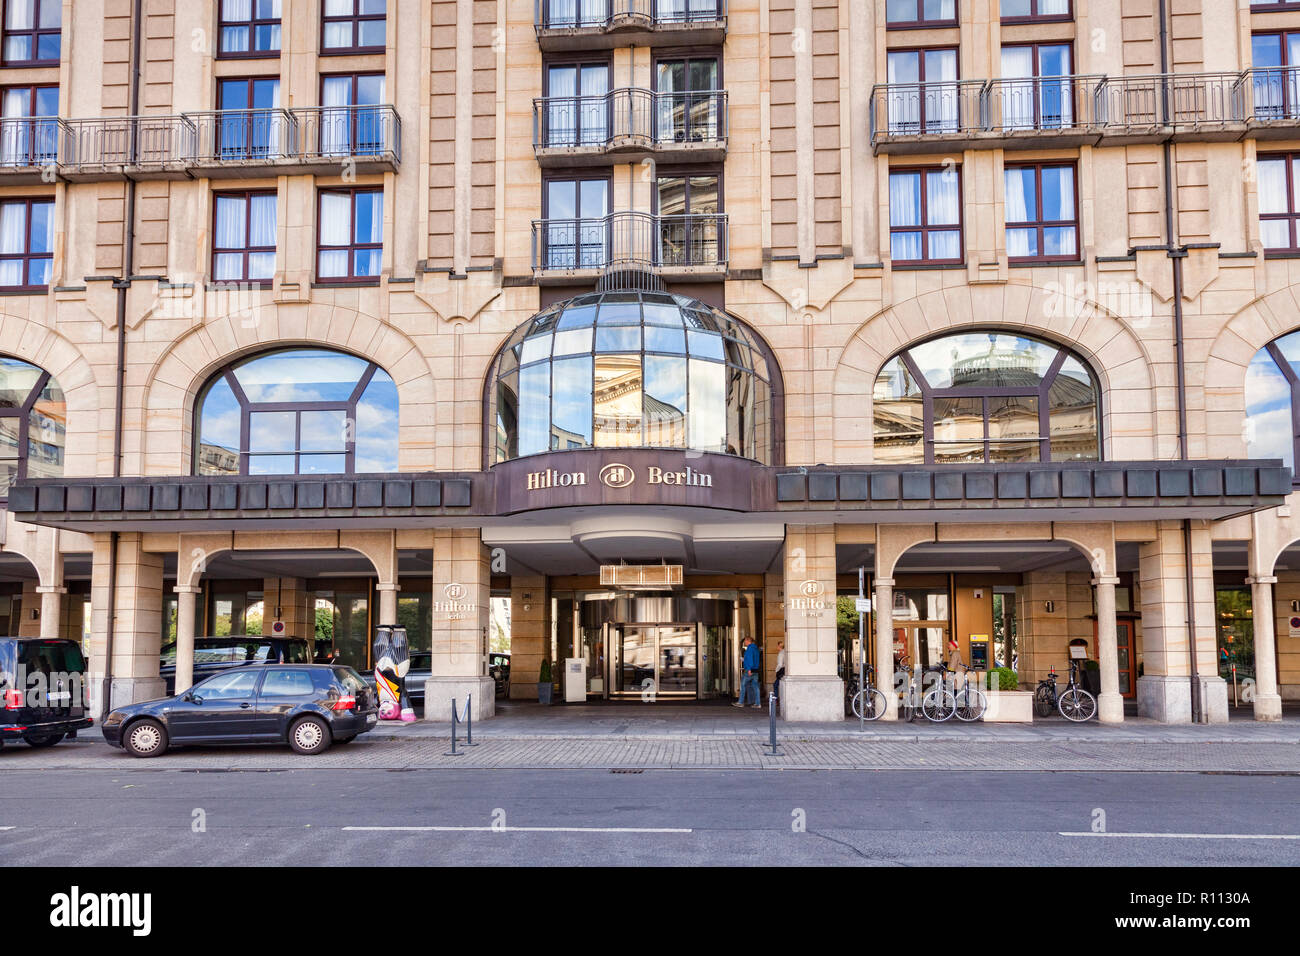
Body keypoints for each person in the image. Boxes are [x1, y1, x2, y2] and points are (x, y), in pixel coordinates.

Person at [734, 636, 762, 708]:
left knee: (742, 685)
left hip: (749, 670)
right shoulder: (756, 649)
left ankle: (740, 702)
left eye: (745, 642)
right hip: (755, 670)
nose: (744, 643)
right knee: (755, 687)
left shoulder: (749, 648)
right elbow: (754, 659)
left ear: (748, 641)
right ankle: (758, 703)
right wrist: (744, 660)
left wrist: (749, 669)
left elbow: (750, 659)